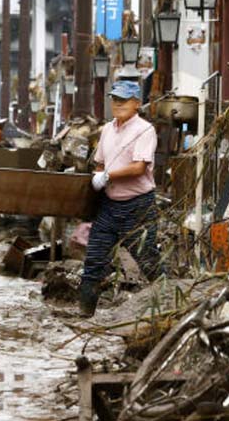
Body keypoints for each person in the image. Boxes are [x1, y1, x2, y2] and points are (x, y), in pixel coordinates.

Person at [80, 80, 162, 317]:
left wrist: (107, 176)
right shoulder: (107, 129)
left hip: (138, 206)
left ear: (137, 103)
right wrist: (99, 174)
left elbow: (138, 168)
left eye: (124, 100)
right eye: (115, 100)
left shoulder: (145, 130)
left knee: (148, 261)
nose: (118, 104)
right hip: (109, 205)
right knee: (94, 261)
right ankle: (85, 315)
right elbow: (100, 162)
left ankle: (171, 306)